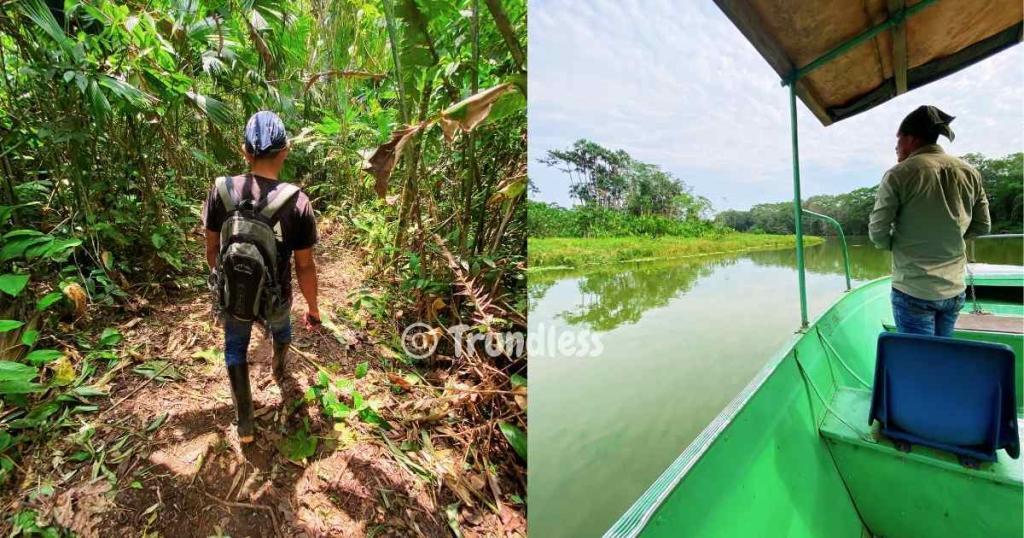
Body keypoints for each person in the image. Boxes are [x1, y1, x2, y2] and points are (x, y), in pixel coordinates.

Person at [202, 111, 322, 443]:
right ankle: (280, 367)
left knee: (235, 348)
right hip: (276, 295)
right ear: (286, 150)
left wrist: (225, 286)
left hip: (235, 295)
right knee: (282, 329)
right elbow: (305, 267)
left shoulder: (221, 191)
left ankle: (245, 425)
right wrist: (313, 308)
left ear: (244, 151)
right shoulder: (297, 202)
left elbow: (212, 249)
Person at [869, 105, 990, 337]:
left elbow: (878, 232)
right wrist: (949, 236)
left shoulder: (899, 173)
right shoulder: (970, 172)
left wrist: (894, 244)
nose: (895, 147)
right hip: (954, 289)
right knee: (942, 355)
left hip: (914, 290)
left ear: (911, 139)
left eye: (898, 140)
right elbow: (983, 225)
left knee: (919, 361)